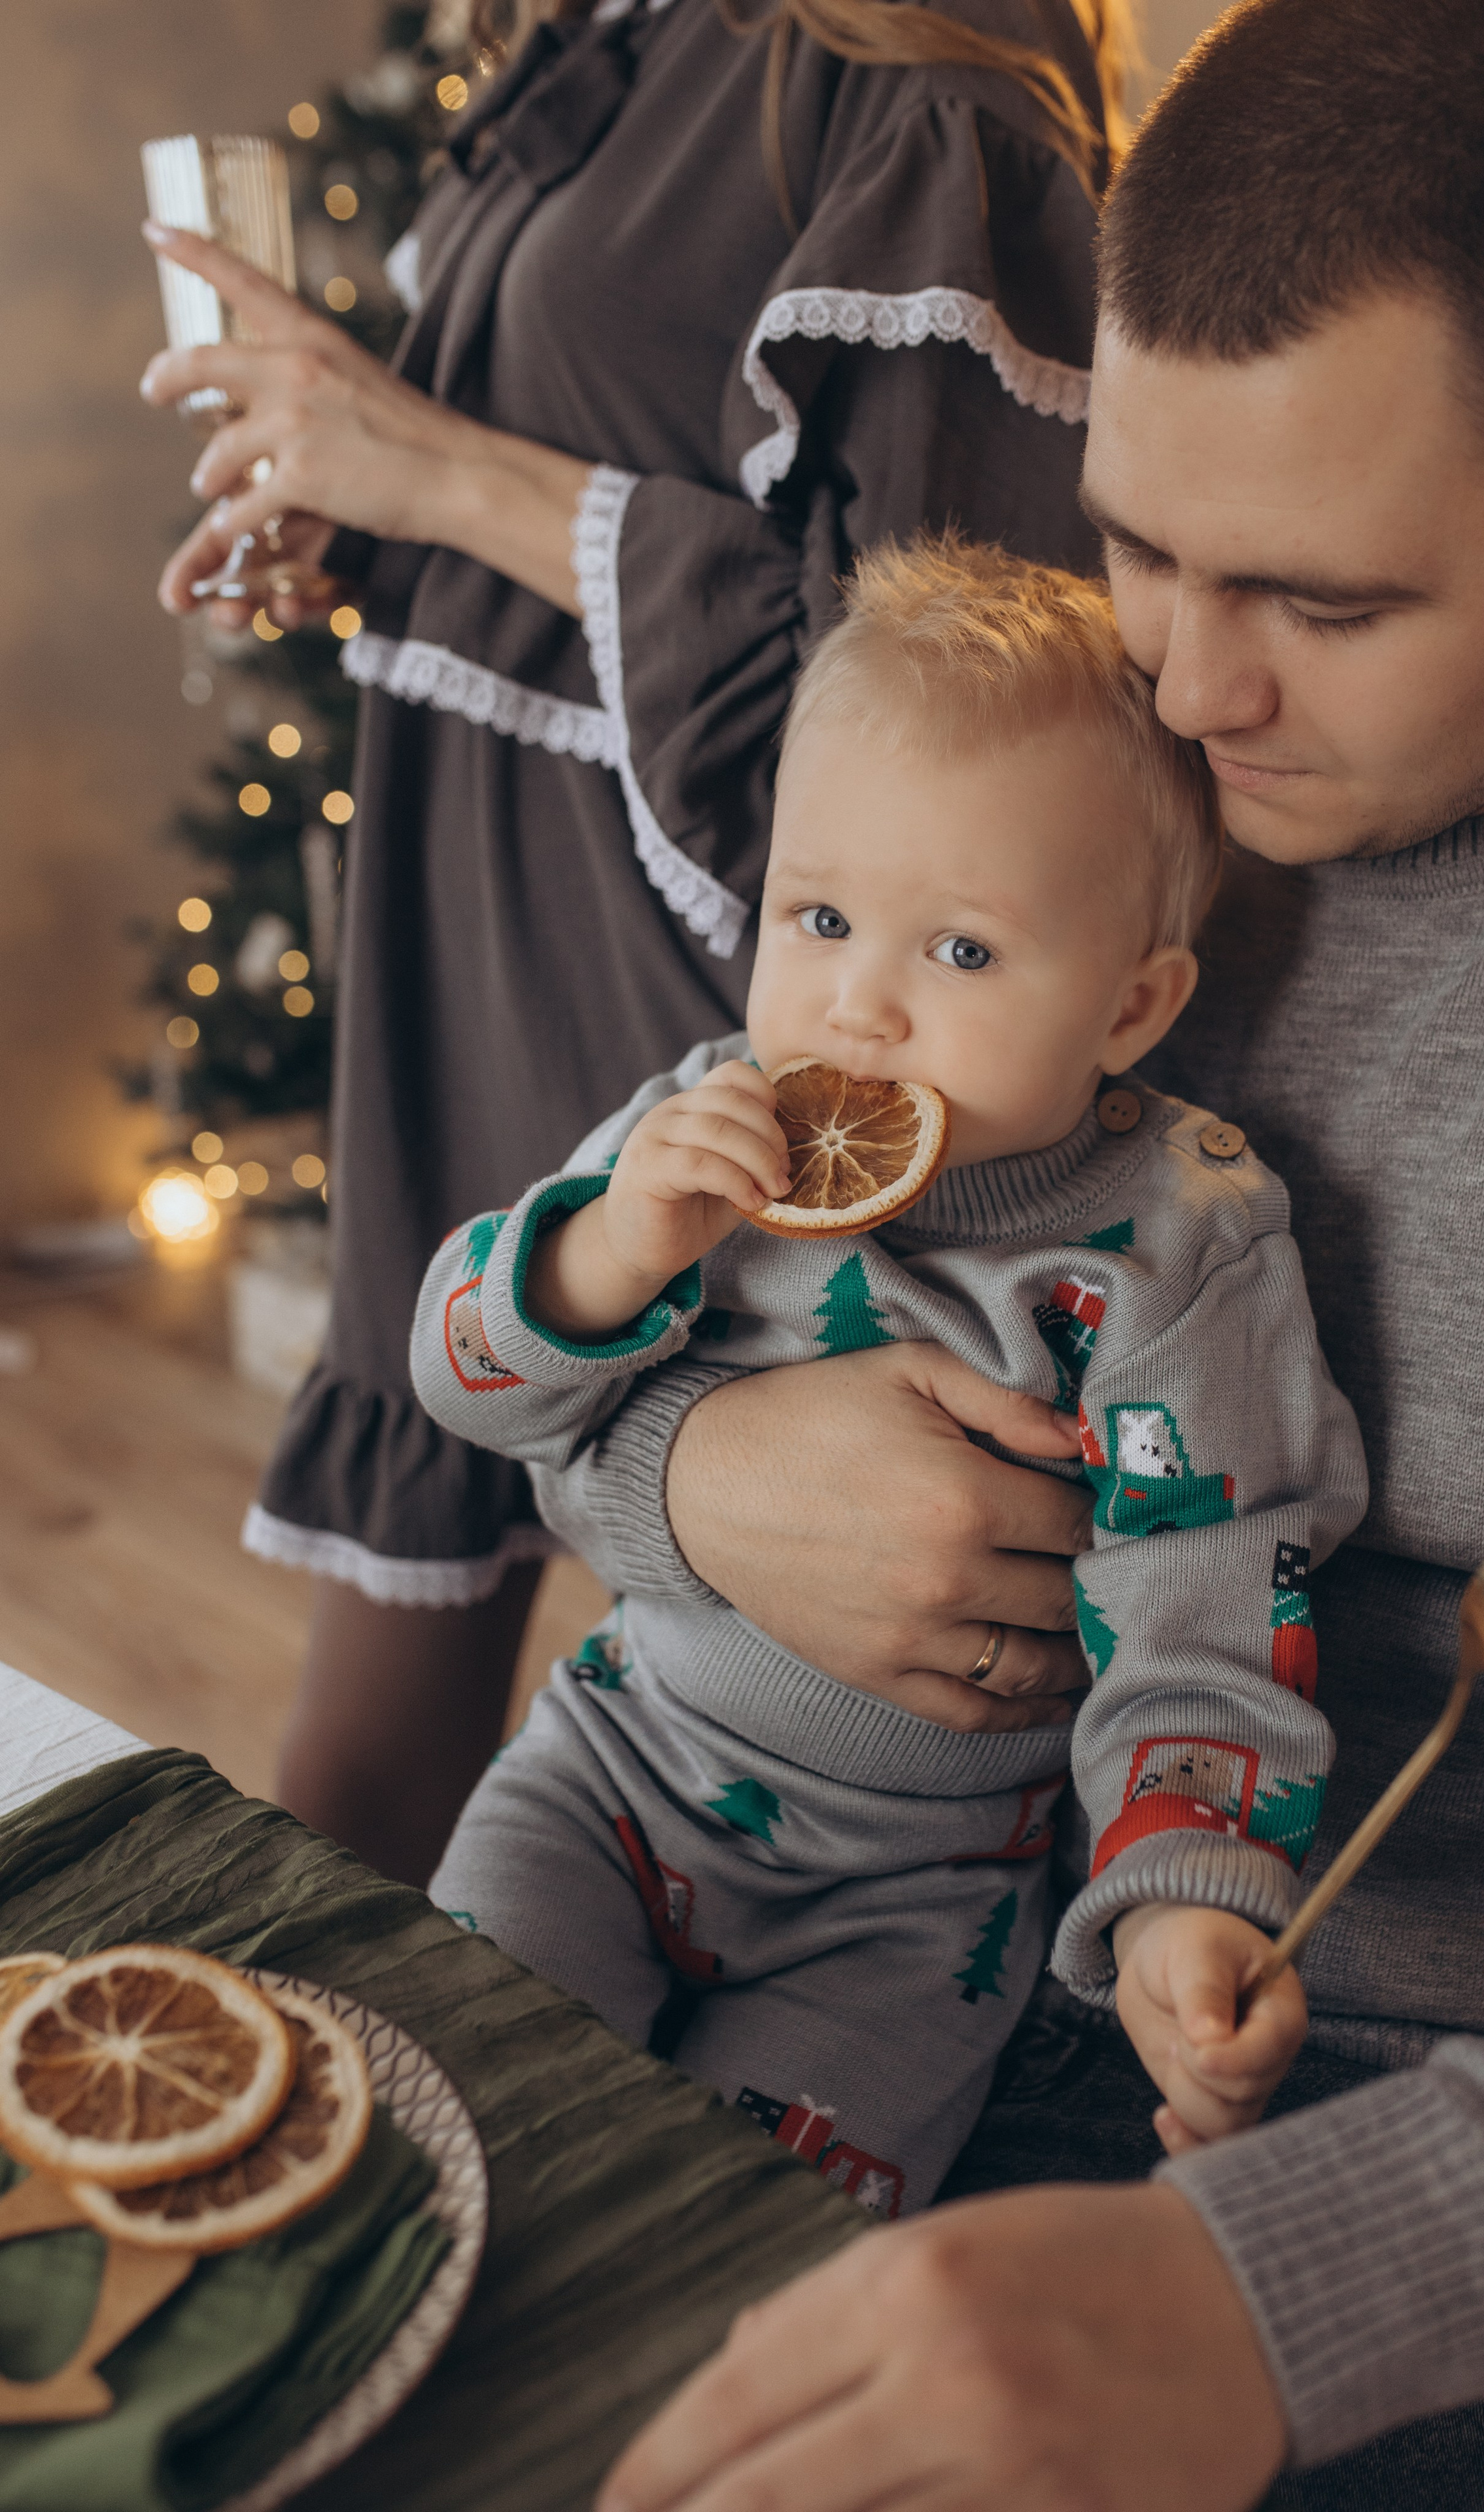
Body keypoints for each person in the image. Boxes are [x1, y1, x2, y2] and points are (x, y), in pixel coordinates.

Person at [475, 0, 1484, 2502]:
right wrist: (688, 1478)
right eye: (1136, 538)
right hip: (831, 1925)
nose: (1187, 689)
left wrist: (1282, 2286)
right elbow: (650, 1294)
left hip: (1416, 2186)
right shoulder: (1061, 756)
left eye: (1322, 608)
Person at [139, 0, 1127, 1884]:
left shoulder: (923, 79)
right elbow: (582, 459)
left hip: (669, 975)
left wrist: (421, 468)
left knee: (708, 1778)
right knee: (378, 1762)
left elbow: (926, 698)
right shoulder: (623, 31)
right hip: (475, 916)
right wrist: (363, 520)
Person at [410, 538, 1368, 2209]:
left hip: (922, 1912)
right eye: (822, 916)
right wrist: (605, 1256)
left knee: (739, 2253)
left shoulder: (1177, 1253)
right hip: (605, 1786)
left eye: (964, 954)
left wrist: (1184, 1896)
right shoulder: (700, 1129)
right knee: (448, 2127)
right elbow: (463, 1381)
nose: (857, 1007)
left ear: (1132, 1005)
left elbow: (1211, 1604)